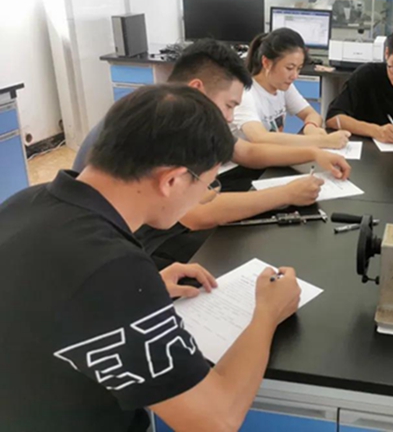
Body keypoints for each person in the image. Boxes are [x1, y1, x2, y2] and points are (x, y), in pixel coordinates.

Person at [0, 85, 302, 432]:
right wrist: (267, 312)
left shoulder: (25, 203)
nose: (204, 197)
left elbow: (43, 299)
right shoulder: (113, 269)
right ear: (172, 180)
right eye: (207, 185)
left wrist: (138, 293)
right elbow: (216, 420)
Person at [73, 39, 351, 266]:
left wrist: (313, 152)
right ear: (197, 89)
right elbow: (195, 214)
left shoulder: (178, 112)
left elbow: (247, 152)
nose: (230, 118)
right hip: (130, 246)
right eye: (229, 105)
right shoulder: (163, 123)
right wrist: (286, 194)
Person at [232, 27, 351, 148]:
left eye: (298, 68)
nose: (295, 76)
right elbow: (260, 137)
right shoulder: (245, 94)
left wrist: (311, 127)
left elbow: (311, 114)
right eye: (289, 68)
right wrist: (323, 141)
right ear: (266, 63)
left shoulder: (282, 86)